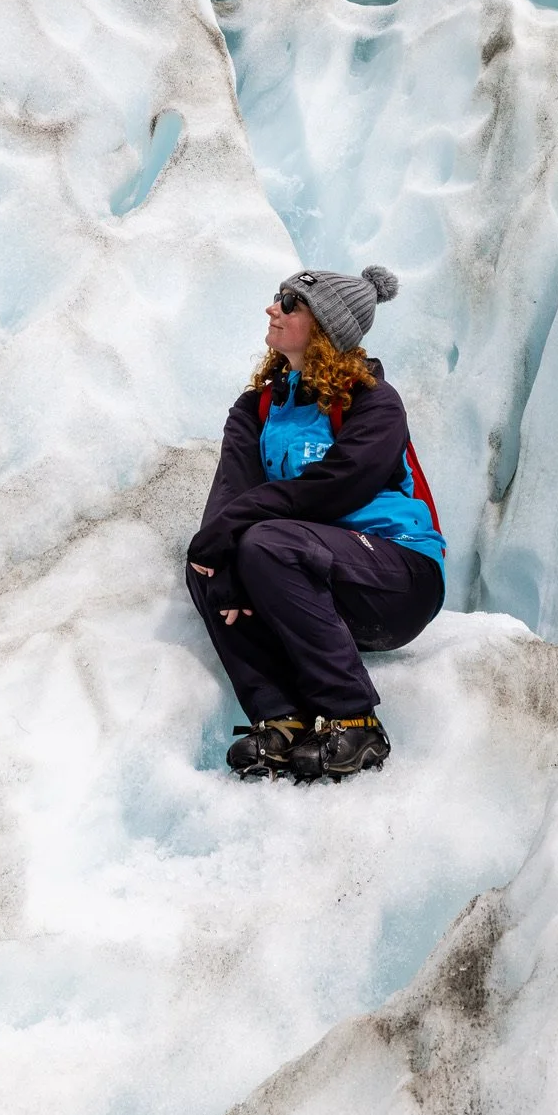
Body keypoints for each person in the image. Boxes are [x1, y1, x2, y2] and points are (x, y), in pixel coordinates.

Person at [187, 264, 446, 782]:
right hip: (308, 574)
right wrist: (222, 558)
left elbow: (335, 488)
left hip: (398, 576)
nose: (272, 309)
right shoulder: (258, 407)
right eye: (276, 297)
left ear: (324, 327)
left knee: (266, 541)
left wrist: (237, 532)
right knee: (205, 566)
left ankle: (354, 719)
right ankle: (280, 719)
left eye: (289, 303)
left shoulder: (372, 400)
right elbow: (231, 495)